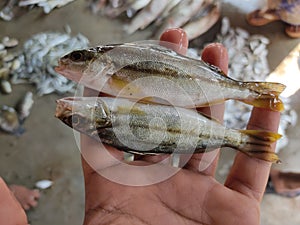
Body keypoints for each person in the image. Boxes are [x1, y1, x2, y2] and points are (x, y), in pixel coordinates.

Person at [0, 28, 280, 225]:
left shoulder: (110, 77)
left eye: (78, 59)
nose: (69, 64)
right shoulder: (105, 104)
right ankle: (243, 121)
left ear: (102, 62)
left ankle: (247, 100)